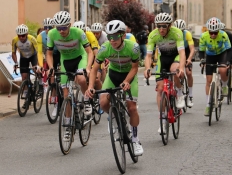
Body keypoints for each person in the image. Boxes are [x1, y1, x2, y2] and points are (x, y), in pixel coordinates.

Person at [85, 20, 144, 156]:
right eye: (110, 36)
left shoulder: (133, 47)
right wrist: (90, 87)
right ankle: (114, 117)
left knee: (132, 108)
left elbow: (135, 68)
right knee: (103, 102)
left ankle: (135, 140)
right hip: (113, 75)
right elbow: (94, 69)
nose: (112, 40)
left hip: (129, 75)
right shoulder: (105, 48)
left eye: (116, 36)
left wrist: (127, 81)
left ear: (123, 35)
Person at [47, 11, 94, 142]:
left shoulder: (78, 33)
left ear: (70, 25)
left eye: (64, 27)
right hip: (65, 61)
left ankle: (86, 100)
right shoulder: (52, 34)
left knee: (81, 78)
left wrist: (88, 67)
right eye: (58, 28)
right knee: (66, 95)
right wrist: (51, 67)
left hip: (80, 58)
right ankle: (68, 126)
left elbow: (89, 52)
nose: (61, 31)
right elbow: (49, 53)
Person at [143, 13, 186, 134]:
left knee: (174, 69)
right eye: (159, 26)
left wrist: (181, 68)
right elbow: (149, 55)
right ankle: (162, 119)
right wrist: (147, 68)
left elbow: (182, 53)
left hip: (175, 56)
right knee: (160, 89)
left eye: (164, 26)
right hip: (163, 59)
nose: (161, 29)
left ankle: (179, 92)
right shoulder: (153, 35)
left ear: (170, 25)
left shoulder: (177, 32)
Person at [199, 17, 231, 116]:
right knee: (208, 80)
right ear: (208, 30)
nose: (213, 35)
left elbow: (229, 49)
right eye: (211, 32)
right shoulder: (204, 36)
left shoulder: (223, 35)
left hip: (222, 53)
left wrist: (228, 61)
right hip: (210, 55)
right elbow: (201, 50)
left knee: (222, 69)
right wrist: (202, 60)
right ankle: (208, 105)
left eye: (215, 33)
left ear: (218, 31)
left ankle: (224, 86)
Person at [37, 18, 61, 116]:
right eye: (46, 27)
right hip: (50, 55)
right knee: (51, 76)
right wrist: (41, 66)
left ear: (53, 27)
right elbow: (39, 52)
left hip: (60, 54)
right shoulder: (40, 36)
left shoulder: (58, 34)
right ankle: (54, 98)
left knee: (61, 76)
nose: (47, 29)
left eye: (50, 27)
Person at [12, 24, 41, 100]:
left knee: (37, 70)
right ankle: (26, 93)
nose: (21, 38)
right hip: (24, 57)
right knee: (24, 77)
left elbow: (38, 52)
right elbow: (13, 53)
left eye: (23, 35)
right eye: (19, 36)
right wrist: (15, 63)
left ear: (27, 34)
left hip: (33, 56)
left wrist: (38, 64)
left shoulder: (32, 39)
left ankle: (40, 84)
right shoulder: (15, 40)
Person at [173, 19, 195, 107]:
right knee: (174, 70)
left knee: (188, 73)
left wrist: (189, 59)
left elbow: (192, 49)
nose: (179, 32)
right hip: (176, 51)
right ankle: (178, 91)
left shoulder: (187, 34)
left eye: (181, 31)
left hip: (186, 51)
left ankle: (190, 95)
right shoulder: (172, 34)